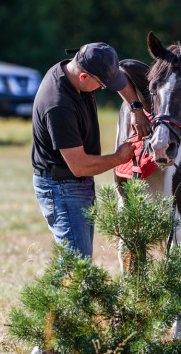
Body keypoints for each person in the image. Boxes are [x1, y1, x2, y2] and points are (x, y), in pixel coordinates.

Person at [31, 41, 151, 258]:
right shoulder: (58, 105)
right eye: (102, 85)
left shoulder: (73, 71)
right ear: (85, 77)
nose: (104, 88)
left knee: (79, 259)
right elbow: (79, 166)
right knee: (77, 265)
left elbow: (121, 80)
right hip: (62, 187)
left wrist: (136, 108)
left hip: (76, 184)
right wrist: (118, 158)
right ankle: (62, 293)